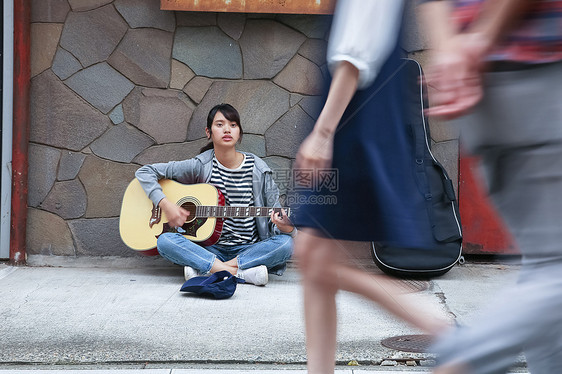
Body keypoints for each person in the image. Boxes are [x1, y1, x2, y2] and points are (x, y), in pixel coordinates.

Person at [292, 1, 450, 372]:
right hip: (355, 122)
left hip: (352, 126)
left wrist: (323, 132)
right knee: (317, 260)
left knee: (313, 258)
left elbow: (354, 52)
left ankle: (444, 333)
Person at [417, 0, 562, 373]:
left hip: (484, 90)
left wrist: (450, 49)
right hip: (538, 72)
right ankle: (466, 358)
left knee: (544, 267)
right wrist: (482, 37)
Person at [135, 103, 296, 286]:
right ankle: (240, 274)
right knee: (164, 241)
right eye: (220, 124)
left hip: (248, 249)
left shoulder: (258, 169)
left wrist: (288, 228)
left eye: (233, 125)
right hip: (208, 247)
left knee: (286, 244)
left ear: (239, 132)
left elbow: (276, 217)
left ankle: (210, 269)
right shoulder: (200, 165)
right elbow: (145, 172)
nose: (227, 129)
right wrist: (166, 205)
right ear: (208, 132)